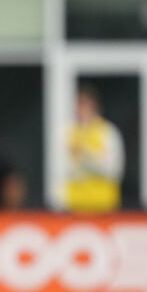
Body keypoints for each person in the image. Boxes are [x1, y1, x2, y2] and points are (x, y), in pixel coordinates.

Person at [62, 84, 124, 214]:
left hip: (103, 206)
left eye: (83, 104)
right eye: (78, 105)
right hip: (75, 206)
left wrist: (86, 156)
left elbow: (113, 169)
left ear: (94, 106)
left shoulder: (107, 132)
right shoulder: (69, 133)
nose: (79, 109)